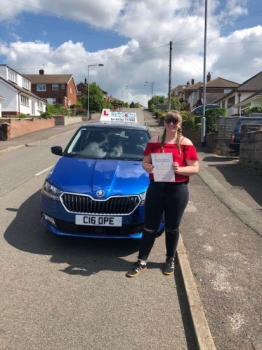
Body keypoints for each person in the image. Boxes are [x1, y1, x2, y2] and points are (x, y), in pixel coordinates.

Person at [126, 110, 199, 278]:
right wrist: (148, 167)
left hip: (177, 189)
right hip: (156, 187)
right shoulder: (154, 141)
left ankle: (169, 259)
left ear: (180, 124)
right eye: (169, 121)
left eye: (175, 122)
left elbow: (195, 168)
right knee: (150, 226)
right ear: (164, 122)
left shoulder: (186, 143)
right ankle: (141, 261)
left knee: (172, 227)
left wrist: (179, 169)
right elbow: (145, 162)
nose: (171, 124)